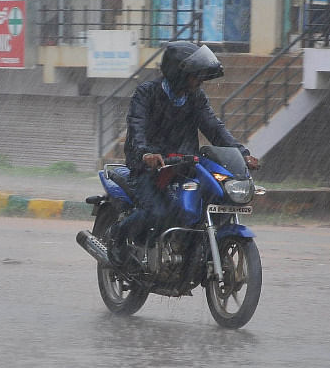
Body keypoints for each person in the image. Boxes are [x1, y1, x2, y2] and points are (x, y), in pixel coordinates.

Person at [111, 41, 260, 264]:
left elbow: (214, 127)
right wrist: (145, 154)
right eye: (194, 75)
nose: (199, 81)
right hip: (148, 167)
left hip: (185, 165)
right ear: (177, 73)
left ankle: (191, 253)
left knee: (203, 205)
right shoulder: (147, 93)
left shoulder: (194, 97)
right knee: (159, 213)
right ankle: (118, 237)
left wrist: (242, 153)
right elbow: (137, 125)